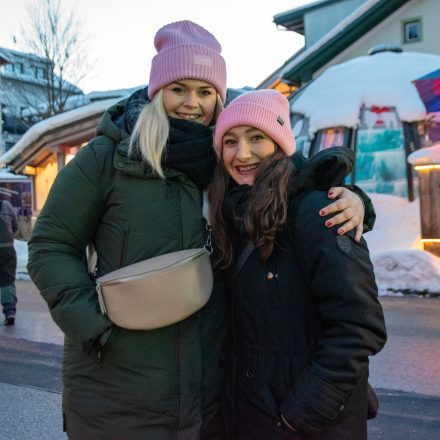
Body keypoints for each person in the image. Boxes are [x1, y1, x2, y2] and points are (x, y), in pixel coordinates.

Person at [28, 21, 372, 440]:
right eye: (179, 89)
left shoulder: (223, 162)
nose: (192, 104)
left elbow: (287, 186)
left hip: (210, 394)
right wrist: (93, 325)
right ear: (157, 91)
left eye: (206, 92)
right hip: (120, 387)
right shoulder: (109, 157)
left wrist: (352, 199)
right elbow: (50, 244)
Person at [209, 89, 387, 440]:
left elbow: (358, 327)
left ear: (280, 143)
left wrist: (299, 415)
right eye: (230, 142)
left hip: (307, 425)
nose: (242, 154)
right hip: (253, 418)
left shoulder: (318, 212)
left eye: (256, 138)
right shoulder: (229, 216)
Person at [0, 197, 18, 326]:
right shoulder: (6, 205)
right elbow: (15, 225)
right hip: (7, 249)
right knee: (7, 280)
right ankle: (9, 311)